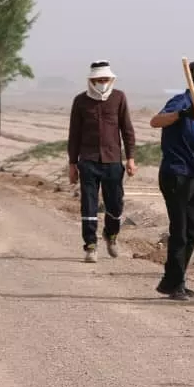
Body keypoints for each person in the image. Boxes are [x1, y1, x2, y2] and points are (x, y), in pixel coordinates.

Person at [148, 59, 194, 300]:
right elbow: (155, 121)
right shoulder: (181, 102)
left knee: (191, 232)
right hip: (174, 174)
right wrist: (182, 114)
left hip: (190, 175)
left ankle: (173, 281)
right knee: (179, 232)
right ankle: (174, 283)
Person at [68, 60, 137, 263]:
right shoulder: (80, 101)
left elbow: (127, 130)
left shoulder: (119, 98)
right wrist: (72, 164)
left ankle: (111, 235)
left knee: (115, 205)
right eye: (98, 80)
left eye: (105, 79)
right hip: (88, 161)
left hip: (113, 161)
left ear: (111, 80)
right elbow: (74, 135)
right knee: (88, 205)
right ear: (91, 81)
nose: (102, 83)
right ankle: (90, 245)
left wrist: (131, 158)